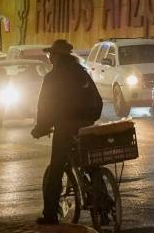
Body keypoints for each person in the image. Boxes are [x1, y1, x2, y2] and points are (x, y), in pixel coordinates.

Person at [31, 39, 103, 226]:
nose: (50, 58)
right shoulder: (82, 73)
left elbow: (44, 107)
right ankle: (103, 204)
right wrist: (91, 118)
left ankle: (49, 215)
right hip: (86, 125)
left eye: (51, 55)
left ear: (56, 57)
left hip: (65, 127)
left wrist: (41, 128)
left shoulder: (52, 78)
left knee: (55, 170)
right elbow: (97, 99)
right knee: (90, 164)